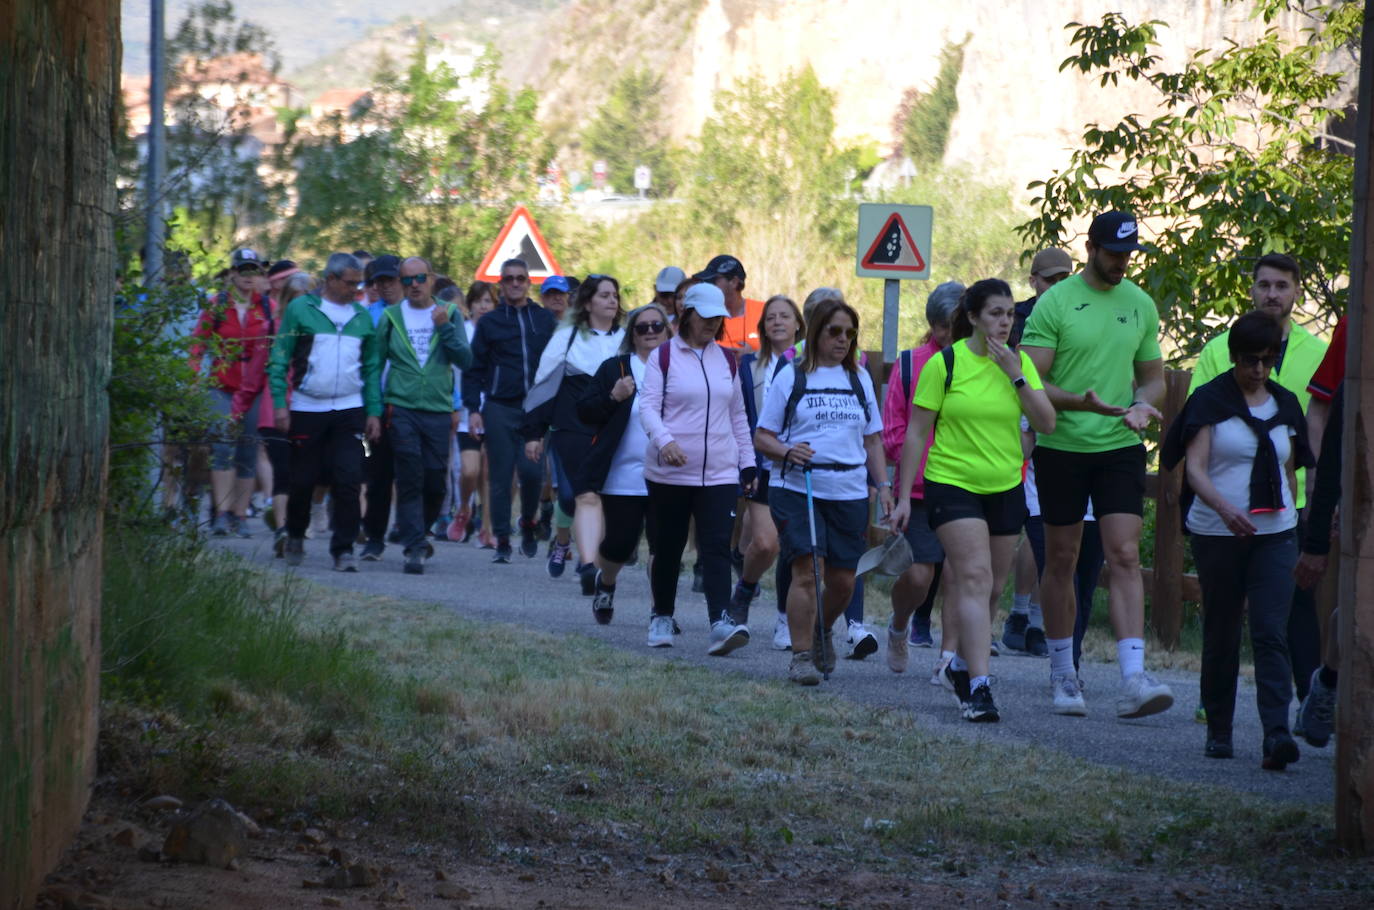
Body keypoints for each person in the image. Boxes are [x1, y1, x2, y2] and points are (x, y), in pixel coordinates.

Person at [1020, 211, 1174, 719]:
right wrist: (1081, 403)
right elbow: (1029, 382)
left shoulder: (1140, 304)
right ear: (1090, 247)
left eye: (1129, 254)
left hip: (1119, 445)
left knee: (1125, 554)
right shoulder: (1055, 302)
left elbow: (1153, 378)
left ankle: (1134, 678)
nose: (1121, 263)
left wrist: (1142, 404)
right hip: (1062, 445)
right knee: (1061, 558)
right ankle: (1064, 671)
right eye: (1112, 253)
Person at [891, 280, 1055, 720]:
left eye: (1008, 315)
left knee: (993, 588)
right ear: (973, 318)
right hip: (951, 483)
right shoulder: (945, 364)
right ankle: (979, 687)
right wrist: (904, 496)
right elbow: (917, 434)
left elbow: (1048, 423)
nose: (1004, 322)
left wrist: (1016, 376)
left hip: (1005, 486)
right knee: (976, 577)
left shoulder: (1020, 366)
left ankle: (960, 666)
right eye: (995, 314)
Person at [1162, 311, 1313, 767]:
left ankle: (1276, 735)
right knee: (1223, 629)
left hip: (1275, 534)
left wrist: (1295, 516)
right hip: (1218, 533)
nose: (1259, 370)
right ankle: (1220, 731)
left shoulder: (1286, 404)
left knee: (1270, 632)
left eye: (1268, 360)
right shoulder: (1210, 400)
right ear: (1233, 357)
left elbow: (1288, 468)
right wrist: (1226, 510)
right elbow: (1195, 468)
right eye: (1251, 360)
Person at [1187, 253, 1327, 710]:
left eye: (1281, 286)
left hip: (1295, 500)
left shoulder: (1318, 352)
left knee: (1297, 613)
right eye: (1264, 284)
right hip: (1228, 500)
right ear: (1252, 289)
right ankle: (1216, 711)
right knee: (1224, 617)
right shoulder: (1216, 350)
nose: (1272, 294)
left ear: (1297, 292)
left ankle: (1307, 708)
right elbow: (1199, 418)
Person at [755, 298, 891, 684]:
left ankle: (820, 630)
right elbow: (762, 437)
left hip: (848, 490)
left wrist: (883, 486)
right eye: (835, 331)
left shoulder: (858, 378)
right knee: (807, 572)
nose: (843, 339)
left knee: (844, 581)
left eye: (850, 333)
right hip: (799, 487)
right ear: (815, 332)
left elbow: (874, 440)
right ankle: (800, 656)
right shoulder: (792, 375)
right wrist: (787, 450)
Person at [640, 283, 756, 652]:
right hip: (670, 471)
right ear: (687, 314)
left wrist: (748, 463)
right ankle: (661, 616)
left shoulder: (728, 360)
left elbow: (737, 414)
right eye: (705, 316)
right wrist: (665, 441)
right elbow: (647, 407)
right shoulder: (663, 356)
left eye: (717, 317)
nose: (711, 323)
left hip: (720, 472)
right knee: (669, 545)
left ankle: (720, 622)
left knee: (717, 546)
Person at [268, 253, 382, 571]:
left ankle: (342, 549)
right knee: (303, 480)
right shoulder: (301, 310)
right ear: (330, 280)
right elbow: (279, 358)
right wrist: (280, 403)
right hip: (307, 407)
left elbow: (371, 369)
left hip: (349, 408)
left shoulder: (362, 317)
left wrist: (373, 411)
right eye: (349, 283)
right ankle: (294, 534)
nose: (355, 290)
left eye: (358, 284)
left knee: (349, 478)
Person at [524, 274, 626, 589]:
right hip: (573, 427)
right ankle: (587, 565)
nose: (612, 300)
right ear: (587, 302)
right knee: (579, 494)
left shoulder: (626, 339)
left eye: (615, 295)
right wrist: (534, 432)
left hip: (616, 429)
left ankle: (592, 559)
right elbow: (544, 386)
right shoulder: (567, 337)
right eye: (604, 295)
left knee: (604, 499)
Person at [880, 281, 960, 674]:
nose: (950, 334)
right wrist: (917, 460)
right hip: (918, 487)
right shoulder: (911, 364)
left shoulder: (979, 363)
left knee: (963, 578)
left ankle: (949, 662)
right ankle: (898, 626)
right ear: (932, 325)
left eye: (957, 324)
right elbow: (893, 429)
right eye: (943, 326)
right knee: (919, 574)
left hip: (966, 486)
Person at [375, 258, 472, 574]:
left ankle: (419, 529)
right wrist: (374, 411)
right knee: (409, 475)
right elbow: (375, 366)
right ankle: (414, 547)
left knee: (435, 482)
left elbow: (465, 358)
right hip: (400, 407)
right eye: (406, 280)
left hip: (438, 410)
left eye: (419, 278)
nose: (413, 285)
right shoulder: (390, 317)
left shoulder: (451, 313)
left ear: (431, 279)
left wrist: (443, 327)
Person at [576, 303, 671, 623]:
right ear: (632, 335)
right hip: (623, 474)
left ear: (668, 331)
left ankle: (661, 611)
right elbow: (585, 412)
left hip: (669, 474)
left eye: (657, 326)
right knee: (619, 543)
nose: (650, 333)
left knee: (664, 546)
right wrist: (612, 397)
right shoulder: (615, 368)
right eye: (642, 327)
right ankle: (607, 582)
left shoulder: (680, 369)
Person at [461, 258, 557, 563]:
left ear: (529, 282)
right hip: (500, 406)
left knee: (532, 474)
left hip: (535, 408)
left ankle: (528, 522)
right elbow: (474, 368)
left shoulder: (543, 320)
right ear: (501, 284)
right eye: (509, 279)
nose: (515, 283)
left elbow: (556, 365)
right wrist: (473, 408)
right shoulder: (490, 322)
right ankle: (501, 538)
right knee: (500, 476)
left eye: (520, 278)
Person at [1004, 248, 1073, 656]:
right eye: (1049, 280)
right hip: (1021, 422)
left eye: (1064, 279)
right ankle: (1019, 614)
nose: (1056, 288)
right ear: (1033, 281)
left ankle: (1035, 619)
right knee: (1031, 525)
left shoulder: (1083, 313)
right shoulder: (1014, 318)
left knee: (1050, 530)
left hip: (1068, 425)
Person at [189, 248, 274, 537]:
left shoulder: (267, 307)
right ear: (233, 274)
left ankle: (240, 515)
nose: (250, 277)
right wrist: (192, 376)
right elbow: (198, 343)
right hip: (221, 385)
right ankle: (221, 513)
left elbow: (280, 344)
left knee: (249, 449)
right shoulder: (216, 305)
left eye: (255, 271)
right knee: (223, 446)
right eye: (244, 271)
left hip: (254, 387)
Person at [738, 295, 805, 650]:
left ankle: (784, 618)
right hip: (761, 463)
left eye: (785, 316)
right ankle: (745, 589)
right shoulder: (750, 366)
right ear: (762, 327)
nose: (778, 322)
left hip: (799, 466)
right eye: (771, 318)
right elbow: (742, 415)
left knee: (793, 546)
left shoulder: (812, 364)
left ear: (798, 324)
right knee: (765, 543)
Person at [359, 254, 405, 560]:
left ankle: (414, 531)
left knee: (420, 475)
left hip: (416, 404)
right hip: (379, 405)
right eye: (379, 281)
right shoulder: (366, 317)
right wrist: (369, 409)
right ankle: (374, 537)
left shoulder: (424, 313)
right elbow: (365, 367)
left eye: (390, 279)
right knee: (378, 476)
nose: (385, 286)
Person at [447, 281, 498, 544]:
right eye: (478, 301)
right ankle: (464, 508)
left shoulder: (501, 334)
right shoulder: (461, 333)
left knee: (488, 473)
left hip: (493, 412)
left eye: (488, 301)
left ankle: (486, 530)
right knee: (469, 470)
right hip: (465, 412)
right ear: (470, 306)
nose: (483, 306)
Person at [693, 255, 765, 351]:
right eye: (705, 282)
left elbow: (786, 350)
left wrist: (754, 354)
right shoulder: (701, 314)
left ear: (734, 282)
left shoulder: (764, 312)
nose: (708, 286)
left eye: (713, 281)